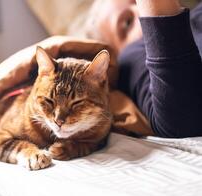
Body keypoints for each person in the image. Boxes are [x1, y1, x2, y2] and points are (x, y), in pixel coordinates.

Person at [85, 0, 202, 138]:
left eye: (137, 2)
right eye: (127, 22)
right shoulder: (129, 56)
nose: (141, 11)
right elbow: (182, 116)